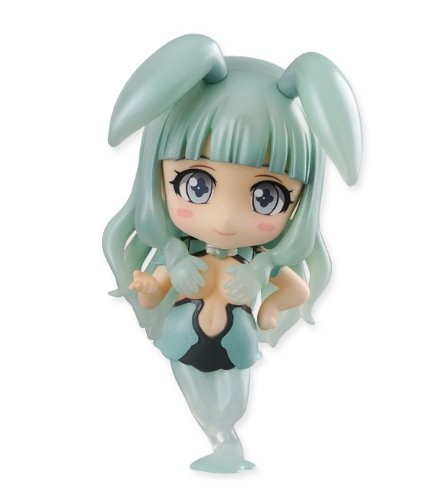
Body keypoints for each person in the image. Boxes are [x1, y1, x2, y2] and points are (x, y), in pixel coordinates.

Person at [103, 34, 362, 473]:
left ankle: (226, 438)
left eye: (266, 196)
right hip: (182, 334)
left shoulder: (257, 264)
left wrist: (270, 310)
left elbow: (297, 290)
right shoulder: (180, 256)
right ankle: (221, 439)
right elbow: (154, 291)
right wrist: (147, 285)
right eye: (197, 185)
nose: (225, 218)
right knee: (198, 395)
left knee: (233, 401)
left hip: (237, 340)